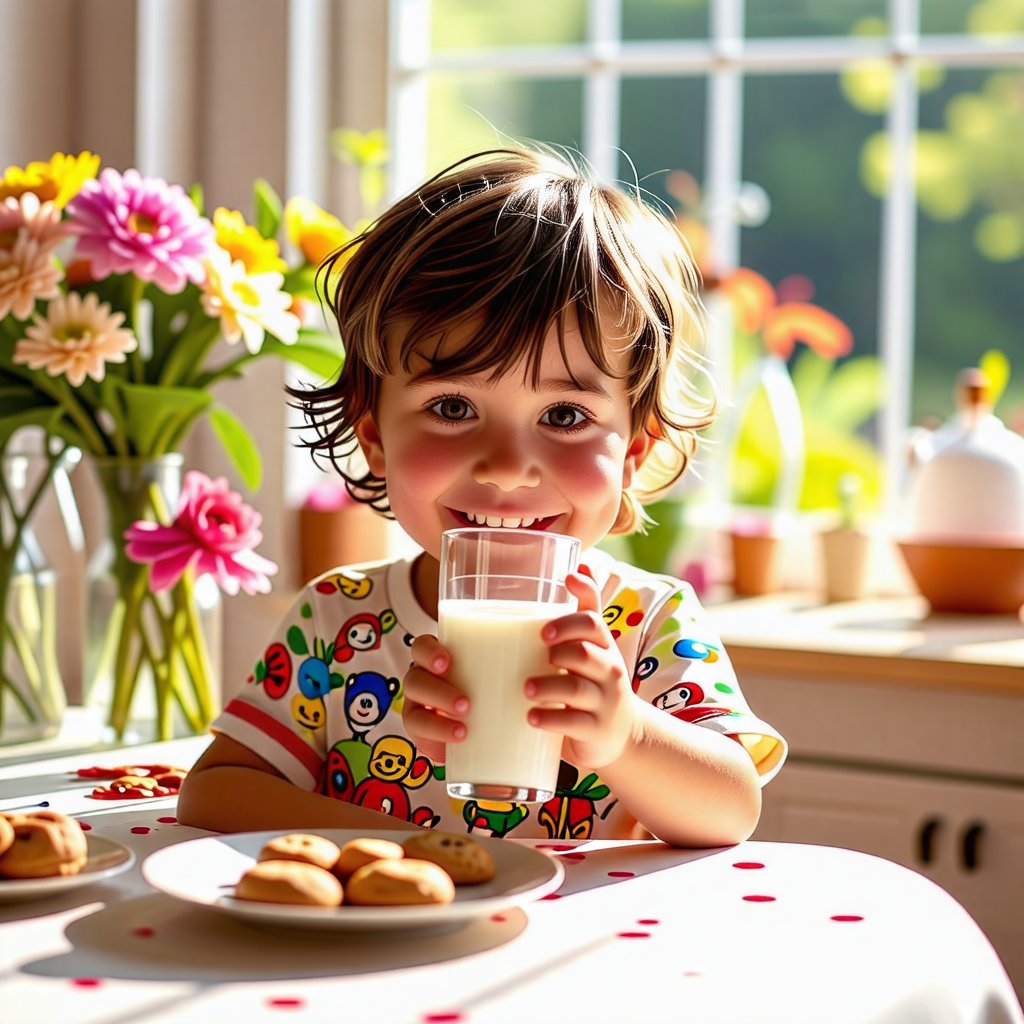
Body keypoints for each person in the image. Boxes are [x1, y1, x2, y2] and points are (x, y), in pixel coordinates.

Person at [177, 147, 787, 847]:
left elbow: (731, 809)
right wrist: (422, 856)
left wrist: (623, 735)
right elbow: (216, 792)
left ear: (633, 453)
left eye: (563, 416)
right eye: (453, 407)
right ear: (375, 440)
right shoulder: (336, 622)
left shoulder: (649, 623)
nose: (505, 468)